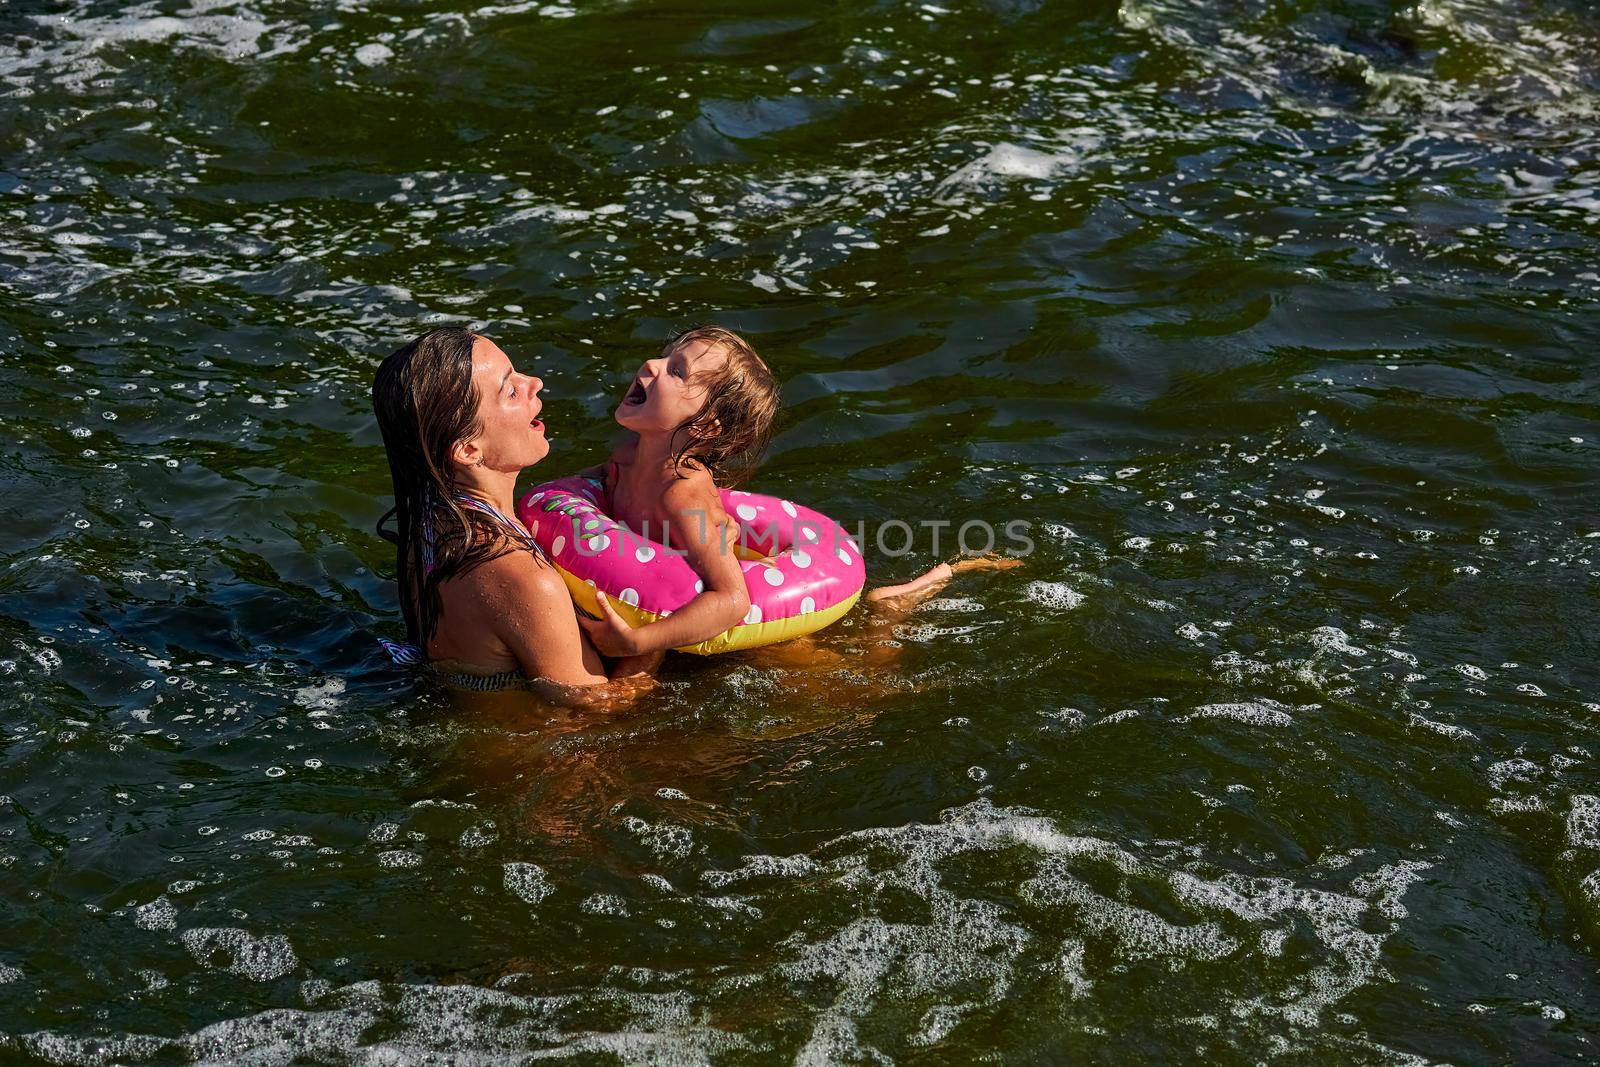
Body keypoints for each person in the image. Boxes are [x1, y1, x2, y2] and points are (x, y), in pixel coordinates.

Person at [577, 324, 1015, 659]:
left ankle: (888, 614)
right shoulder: (625, 455)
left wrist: (638, 641)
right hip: (660, 595)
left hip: (753, 621)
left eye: (676, 370)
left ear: (705, 425)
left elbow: (732, 601)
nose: (651, 365)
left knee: (848, 687)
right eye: (664, 356)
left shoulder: (683, 495)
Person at [371, 326, 658, 698]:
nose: (534, 382)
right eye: (510, 389)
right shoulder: (522, 577)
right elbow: (597, 710)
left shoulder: (430, 532)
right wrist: (657, 632)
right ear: (469, 450)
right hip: (527, 751)